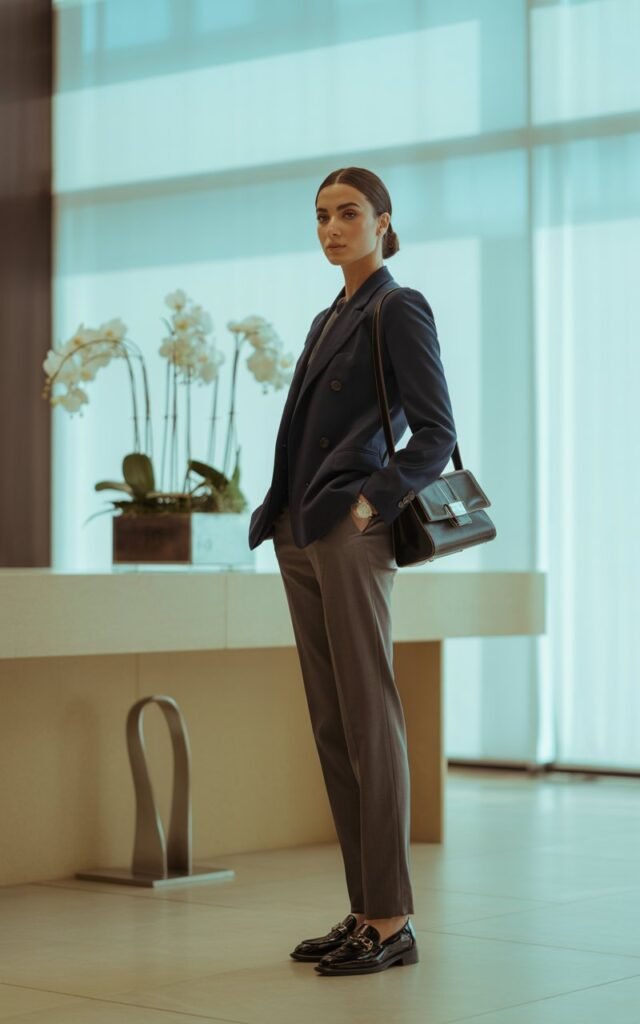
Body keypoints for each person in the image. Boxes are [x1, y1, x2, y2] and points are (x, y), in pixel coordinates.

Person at [248, 166, 457, 976]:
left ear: (383, 221)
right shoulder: (328, 314)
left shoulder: (398, 307)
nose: (332, 228)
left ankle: (393, 918)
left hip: (349, 532)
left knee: (372, 719)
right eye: (321, 216)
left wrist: (369, 507)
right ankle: (364, 907)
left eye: (348, 214)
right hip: (300, 534)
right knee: (334, 722)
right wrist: (281, 517)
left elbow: (435, 432)